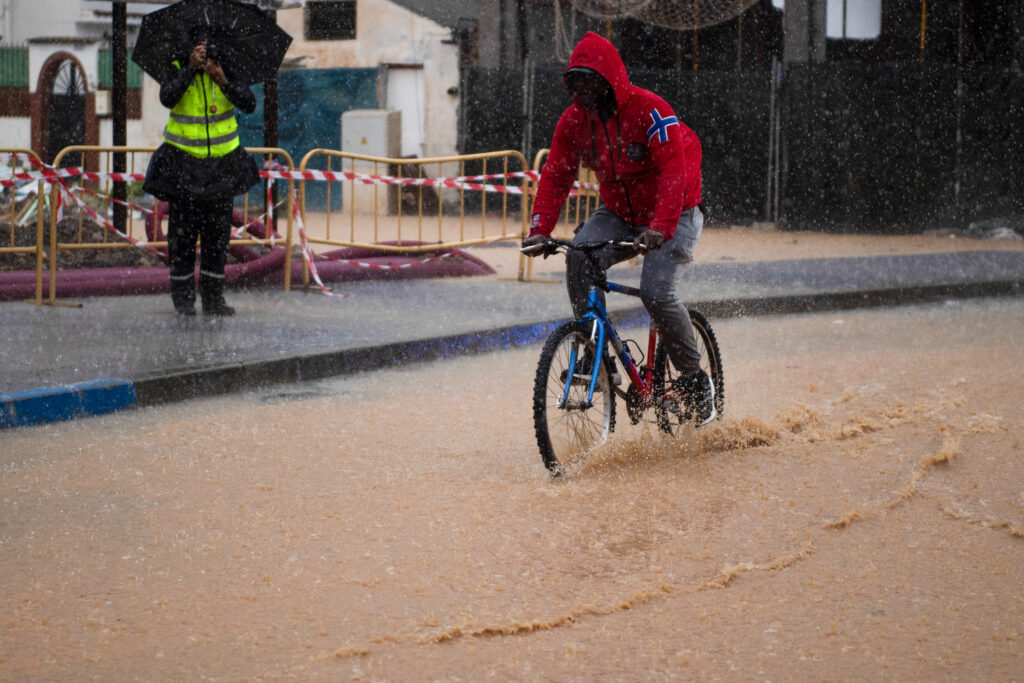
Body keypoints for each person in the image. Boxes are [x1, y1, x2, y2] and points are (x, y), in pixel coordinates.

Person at [521, 31, 715, 426]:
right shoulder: (574, 121)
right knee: (578, 256)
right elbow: (556, 174)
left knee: (655, 292)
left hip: (676, 212)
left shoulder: (651, 112)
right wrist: (540, 229)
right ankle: (595, 357)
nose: (584, 92)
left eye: (592, 82)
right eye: (576, 83)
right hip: (620, 213)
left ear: (611, 81)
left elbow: (673, 173)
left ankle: (696, 381)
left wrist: (661, 226)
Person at [143, 34, 260, 316]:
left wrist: (221, 78)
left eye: (208, 44)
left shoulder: (226, 66)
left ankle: (213, 300)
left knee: (217, 239)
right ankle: (184, 302)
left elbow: (249, 103)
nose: (205, 50)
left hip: (222, 168)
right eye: (199, 46)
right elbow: (168, 98)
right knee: (182, 240)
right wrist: (190, 69)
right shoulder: (176, 65)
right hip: (183, 167)